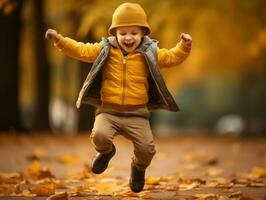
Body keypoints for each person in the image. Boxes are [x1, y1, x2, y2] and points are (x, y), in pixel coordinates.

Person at [45, 2, 192, 193]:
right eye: (123, 33)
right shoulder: (105, 50)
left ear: (143, 33)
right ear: (114, 34)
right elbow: (81, 49)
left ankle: (138, 168)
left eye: (134, 33)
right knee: (99, 136)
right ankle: (106, 152)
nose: (128, 38)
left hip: (137, 115)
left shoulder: (150, 52)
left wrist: (184, 46)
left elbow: (172, 57)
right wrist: (59, 40)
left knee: (146, 150)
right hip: (109, 111)